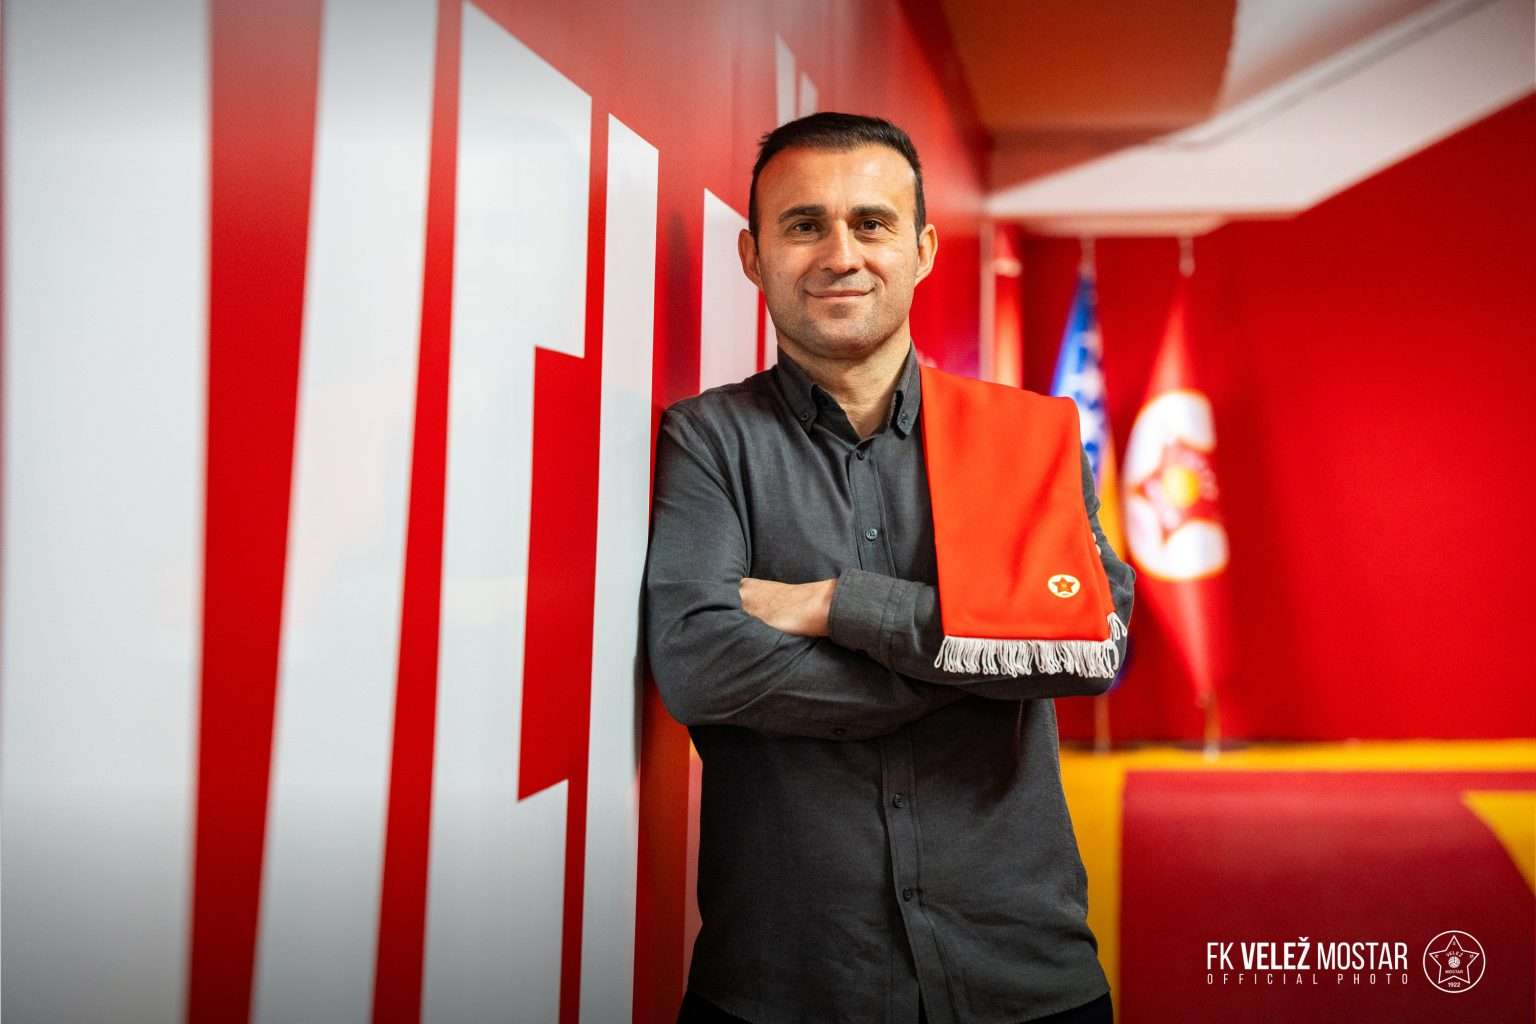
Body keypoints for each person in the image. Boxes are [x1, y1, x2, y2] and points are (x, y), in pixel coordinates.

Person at [643, 112, 1133, 1024]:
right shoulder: (708, 441)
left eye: (871, 223)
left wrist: (841, 605)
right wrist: (976, 665)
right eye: (804, 225)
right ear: (753, 256)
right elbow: (700, 664)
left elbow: (1090, 647)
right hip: (786, 986)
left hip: (1024, 980)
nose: (841, 254)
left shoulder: (1028, 438)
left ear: (922, 249)